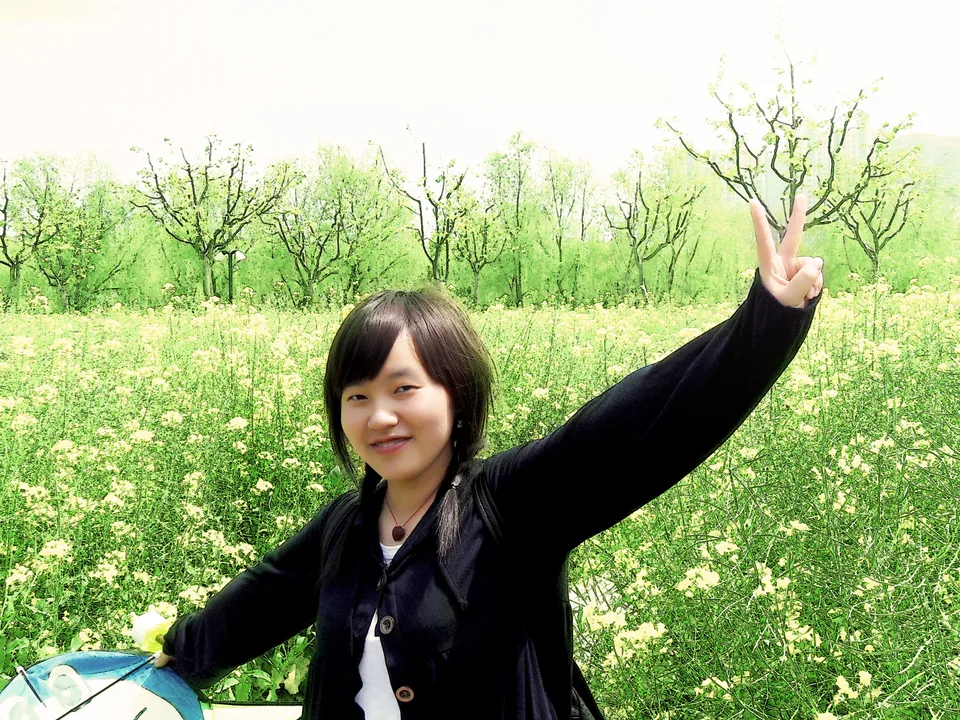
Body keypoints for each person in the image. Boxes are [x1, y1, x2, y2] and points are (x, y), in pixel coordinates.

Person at [154, 195, 825, 719]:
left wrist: (766, 320)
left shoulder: (510, 506)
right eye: (356, 396)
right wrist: (165, 661)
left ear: (456, 393)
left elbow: (639, 423)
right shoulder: (343, 529)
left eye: (404, 389)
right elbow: (255, 606)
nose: (379, 416)